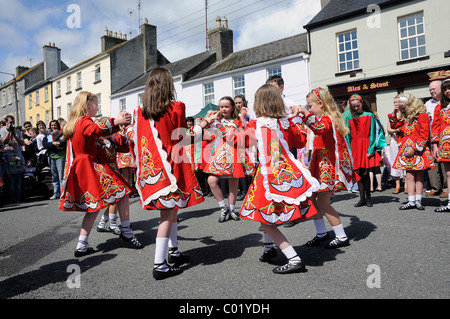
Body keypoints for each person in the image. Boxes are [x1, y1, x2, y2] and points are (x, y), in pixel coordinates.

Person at [133, 67, 205, 280]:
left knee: (172, 211)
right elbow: (183, 137)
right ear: (167, 85)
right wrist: (203, 125)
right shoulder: (177, 107)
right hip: (172, 167)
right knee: (167, 216)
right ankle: (159, 264)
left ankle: (173, 252)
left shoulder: (140, 111)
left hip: (154, 168)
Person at [239, 83, 319, 274]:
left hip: (267, 174)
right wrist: (297, 119)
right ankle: (268, 248)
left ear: (259, 103)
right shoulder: (286, 122)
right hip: (284, 171)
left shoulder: (256, 123)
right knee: (265, 213)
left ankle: (293, 258)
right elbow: (300, 141)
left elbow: (239, 141)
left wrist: (237, 123)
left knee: (266, 218)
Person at [59, 91, 141, 258]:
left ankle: (82, 245)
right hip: (89, 165)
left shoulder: (77, 122)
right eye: (96, 104)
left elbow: (102, 134)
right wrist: (116, 121)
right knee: (122, 193)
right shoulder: (84, 121)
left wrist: (117, 126)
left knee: (94, 207)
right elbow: (96, 129)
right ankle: (125, 231)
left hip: (87, 165)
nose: (97, 107)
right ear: (87, 105)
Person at [294, 88, 357, 249]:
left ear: (320, 104)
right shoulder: (323, 117)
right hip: (319, 163)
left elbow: (319, 129)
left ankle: (341, 236)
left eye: (310, 105)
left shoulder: (327, 119)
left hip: (326, 165)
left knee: (323, 202)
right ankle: (321, 233)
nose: (308, 109)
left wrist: (304, 113)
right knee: (312, 199)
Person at [202, 96, 253, 222]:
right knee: (211, 181)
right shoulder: (215, 121)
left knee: (233, 184)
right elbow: (204, 132)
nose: (223, 109)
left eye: (226, 106)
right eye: (221, 106)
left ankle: (231, 210)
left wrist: (242, 117)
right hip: (219, 154)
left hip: (235, 153)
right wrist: (207, 117)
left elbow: (246, 133)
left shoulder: (237, 121)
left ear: (232, 107)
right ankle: (223, 207)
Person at [389, 93, 433, 210]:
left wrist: (414, 149)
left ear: (411, 104)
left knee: (419, 175)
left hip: (417, 149)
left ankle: (418, 200)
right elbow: (394, 125)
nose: (403, 109)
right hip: (406, 149)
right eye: (401, 107)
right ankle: (411, 201)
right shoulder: (406, 117)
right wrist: (394, 112)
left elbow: (424, 135)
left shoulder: (422, 115)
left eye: (404, 107)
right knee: (408, 176)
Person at [345, 94, 382, 207]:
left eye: (358, 106)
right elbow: (347, 136)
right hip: (355, 147)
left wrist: (371, 149)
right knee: (358, 174)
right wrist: (349, 151)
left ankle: (369, 198)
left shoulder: (370, 115)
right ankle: (362, 198)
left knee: (366, 173)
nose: (356, 108)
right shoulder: (349, 117)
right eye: (354, 107)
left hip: (366, 146)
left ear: (362, 103)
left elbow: (373, 133)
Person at [425, 80, 447, 198]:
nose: (431, 91)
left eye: (434, 89)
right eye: (430, 89)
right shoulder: (428, 104)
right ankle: (435, 187)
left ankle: (446, 188)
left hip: (444, 136)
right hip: (430, 136)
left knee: (445, 162)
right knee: (432, 162)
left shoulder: (446, 103)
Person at [431, 79, 450, 212]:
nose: (447, 91)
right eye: (445, 89)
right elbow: (435, 127)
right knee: (449, 173)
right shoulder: (440, 107)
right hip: (445, 144)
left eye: (449, 88)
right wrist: (435, 145)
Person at [234, 94, 252, 201]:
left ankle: (249, 190)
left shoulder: (248, 112)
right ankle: (243, 191)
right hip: (238, 143)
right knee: (240, 168)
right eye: (236, 103)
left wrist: (243, 116)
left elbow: (247, 127)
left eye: (239, 102)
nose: (237, 105)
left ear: (244, 102)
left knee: (249, 168)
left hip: (248, 143)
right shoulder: (234, 114)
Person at [43, 120, 66, 200]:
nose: (53, 127)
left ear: (58, 125)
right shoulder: (49, 135)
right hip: (51, 156)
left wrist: (58, 143)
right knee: (54, 176)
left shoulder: (62, 133)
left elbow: (65, 142)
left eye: (55, 125)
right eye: (52, 125)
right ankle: (56, 193)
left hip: (60, 156)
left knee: (61, 176)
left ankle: (62, 193)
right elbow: (45, 144)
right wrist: (52, 144)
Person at [387, 95, 406, 193]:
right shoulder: (391, 115)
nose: (396, 104)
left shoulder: (405, 114)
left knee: (405, 160)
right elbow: (389, 129)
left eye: (397, 102)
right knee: (395, 160)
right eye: (394, 102)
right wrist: (398, 129)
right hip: (395, 139)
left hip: (404, 139)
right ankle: (397, 185)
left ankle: (406, 184)